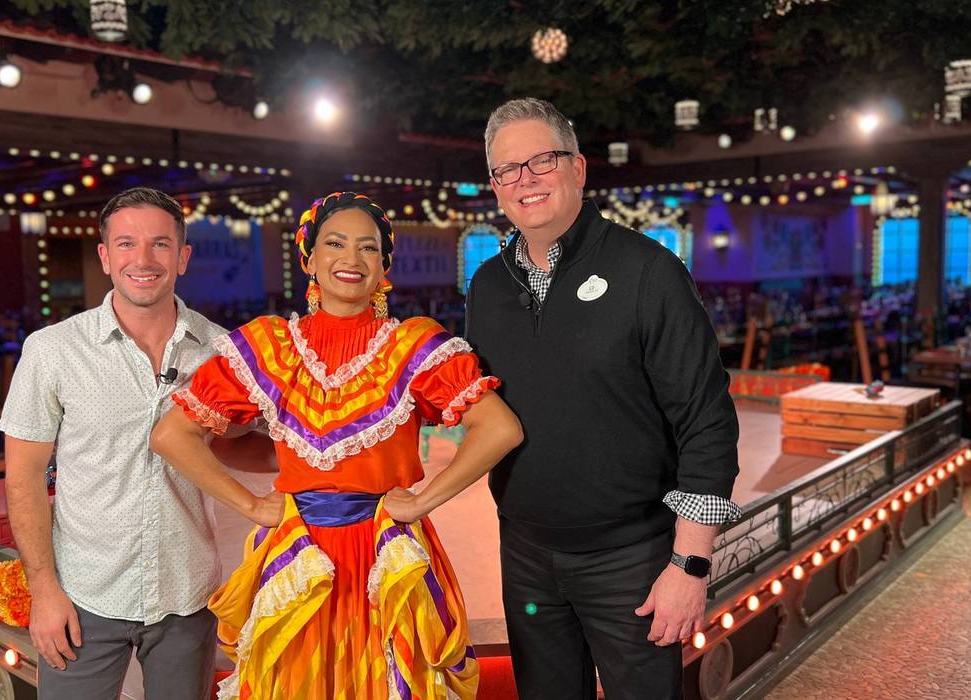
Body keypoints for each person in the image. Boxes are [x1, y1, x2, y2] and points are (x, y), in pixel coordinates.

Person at [150, 191, 523, 699]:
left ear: (384, 267)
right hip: (298, 556)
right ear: (309, 260)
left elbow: (500, 428)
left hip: (386, 556)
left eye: (369, 247)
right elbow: (172, 434)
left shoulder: (414, 345)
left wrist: (422, 500)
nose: (352, 258)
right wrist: (251, 504)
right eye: (335, 243)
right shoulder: (269, 347)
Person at [465, 98, 741, 699]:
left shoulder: (649, 271)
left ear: (578, 168)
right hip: (526, 556)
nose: (525, 179)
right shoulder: (486, 287)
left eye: (542, 160)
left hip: (632, 560)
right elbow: (477, 406)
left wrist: (690, 565)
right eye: (507, 169)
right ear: (496, 187)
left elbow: (707, 422)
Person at [1, 187, 228, 699]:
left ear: (183, 257)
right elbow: (23, 478)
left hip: (187, 594)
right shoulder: (52, 350)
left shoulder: (222, 350)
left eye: (160, 244)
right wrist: (43, 591)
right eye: (126, 244)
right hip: (83, 594)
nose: (143, 259)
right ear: (105, 257)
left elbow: (253, 445)